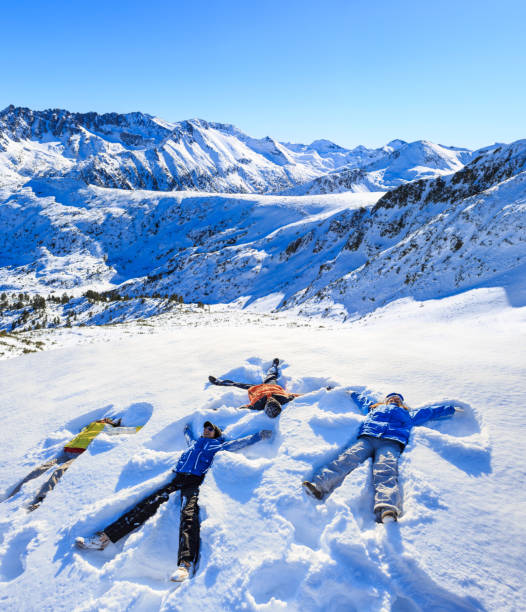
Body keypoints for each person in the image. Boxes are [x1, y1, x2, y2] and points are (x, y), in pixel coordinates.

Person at [76, 421, 273, 582]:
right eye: (205, 427)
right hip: (178, 478)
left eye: (210, 428)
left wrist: (258, 436)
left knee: (188, 515)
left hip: (194, 482)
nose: (206, 430)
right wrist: (187, 429)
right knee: (146, 504)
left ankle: (185, 564)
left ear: (216, 432)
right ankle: (103, 538)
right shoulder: (196, 442)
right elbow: (189, 438)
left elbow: (237, 443)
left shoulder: (218, 445)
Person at [302, 392, 462, 523]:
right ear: (386, 400)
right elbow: (363, 401)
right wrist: (353, 394)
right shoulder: (374, 408)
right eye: (392, 397)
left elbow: (430, 412)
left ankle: (387, 508)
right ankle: (319, 485)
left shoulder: (409, 414)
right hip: (368, 438)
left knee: (386, 470)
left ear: (401, 403)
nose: (394, 399)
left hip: (391, 443)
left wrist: (450, 409)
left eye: (398, 398)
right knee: (347, 458)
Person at [5, 417, 140, 511]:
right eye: (105, 419)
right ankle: (14, 491)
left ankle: (41, 498)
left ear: (112, 423)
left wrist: (145, 427)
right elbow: (82, 429)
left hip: (78, 453)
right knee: (40, 469)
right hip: (67, 450)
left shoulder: (106, 429)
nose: (105, 420)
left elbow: (128, 431)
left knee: (59, 472)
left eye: (109, 420)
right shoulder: (92, 425)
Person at [208, 358, 300, 418]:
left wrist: (218, 411)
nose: (270, 399)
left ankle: (219, 382)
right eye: (274, 401)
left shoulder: (256, 405)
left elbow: (238, 409)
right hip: (271, 385)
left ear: (266, 407)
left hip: (255, 389)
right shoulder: (285, 398)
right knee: (272, 375)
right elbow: (298, 396)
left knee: (236, 384)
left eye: (269, 402)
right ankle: (274, 366)